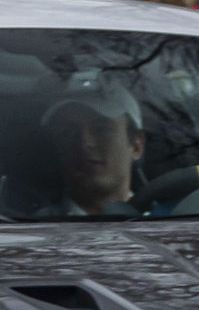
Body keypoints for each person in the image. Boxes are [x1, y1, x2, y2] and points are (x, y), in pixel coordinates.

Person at [35, 77, 146, 217]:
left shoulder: (166, 218)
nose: (85, 142)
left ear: (136, 145)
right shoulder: (32, 228)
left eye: (101, 129)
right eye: (67, 133)